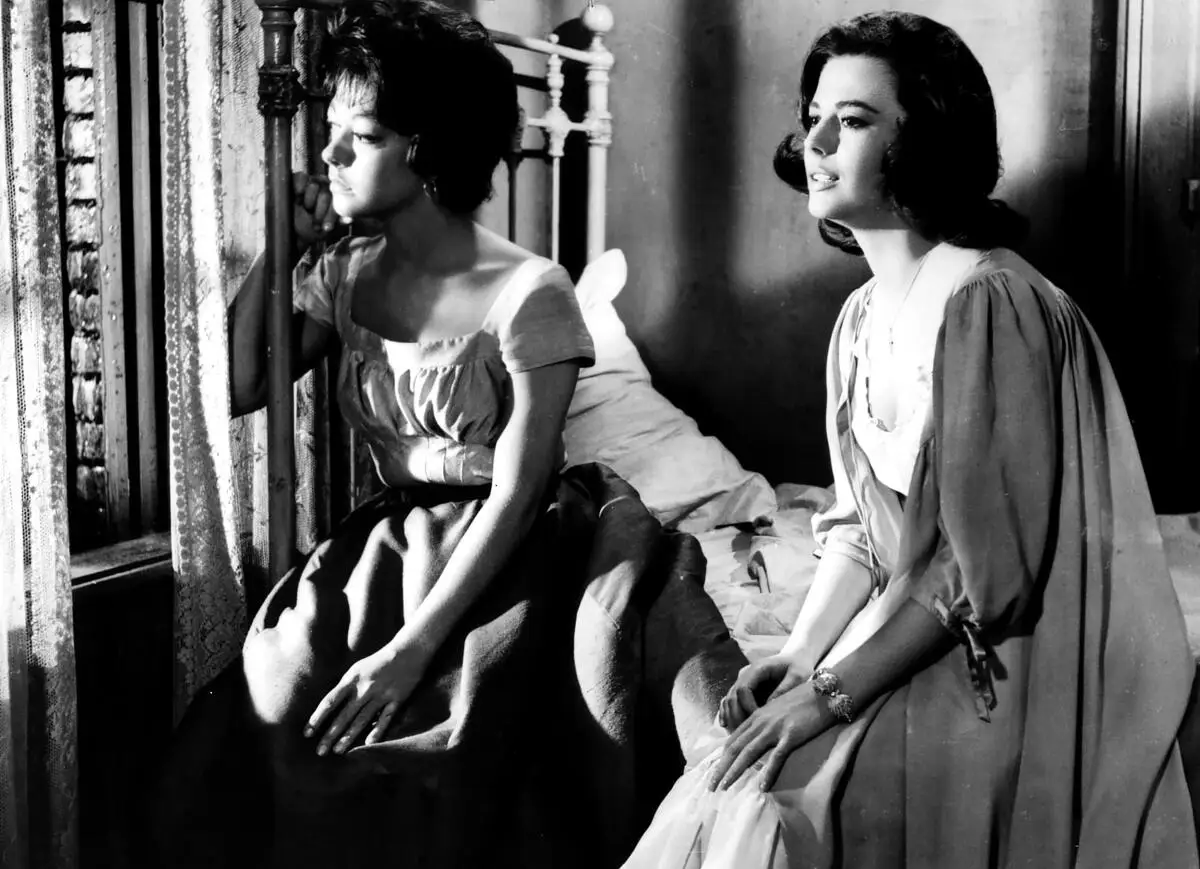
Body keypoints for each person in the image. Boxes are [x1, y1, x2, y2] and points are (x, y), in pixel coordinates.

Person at [149, 3, 743, 868]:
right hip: (383, 546)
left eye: (358, 136)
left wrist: (409, 647)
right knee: (274, 708)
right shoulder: (344, 274)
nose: (328, 154)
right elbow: (239, 387)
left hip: (514, 548)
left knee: (444, 749)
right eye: (329, 132)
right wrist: (280, 243)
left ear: (425, 148)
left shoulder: (531, 290)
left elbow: (518, 488)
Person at [622, 11, 1199, 868]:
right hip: (915, 628)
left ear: (923, 138)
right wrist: (798, 653)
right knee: (736, 774)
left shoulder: (995, 304)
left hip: (1012, 661)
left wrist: (827, 696)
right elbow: (860, 525)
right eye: (812, 113)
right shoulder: (858, 319)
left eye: (852, 120)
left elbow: (979, 574)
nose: (813, 139)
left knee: (773, 800)